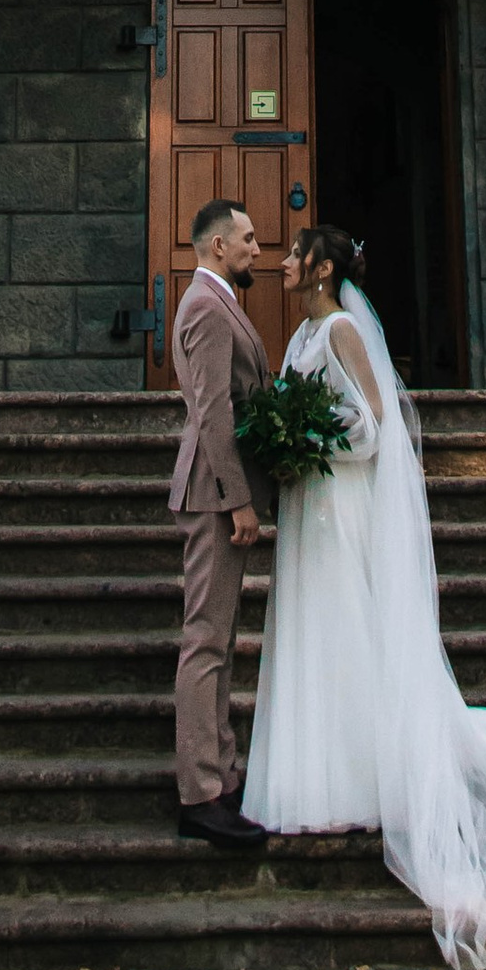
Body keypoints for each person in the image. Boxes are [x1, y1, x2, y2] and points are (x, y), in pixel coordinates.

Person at [242, 223, 486, 967]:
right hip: (310, 506)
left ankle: (367, 772)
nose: (281, 261)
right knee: (314, 633)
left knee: (347, 627)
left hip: (340, 505)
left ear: (319, 269)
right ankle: (315, 775)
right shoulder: (299, 337)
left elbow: (376, 430)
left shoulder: (340, 330)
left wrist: (311, 443)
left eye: (292, 255)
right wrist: (287, 443)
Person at [167, 196, 271, 847]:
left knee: (222, 639)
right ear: (217, 248)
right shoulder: (205, 307)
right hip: (211, 495)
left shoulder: (219, 301)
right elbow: (212, 414)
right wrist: (238, 500)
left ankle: (221, 774)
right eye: (249, 239)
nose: (257, 249)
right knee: (206, 642)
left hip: (219, 492)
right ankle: (199, 794)